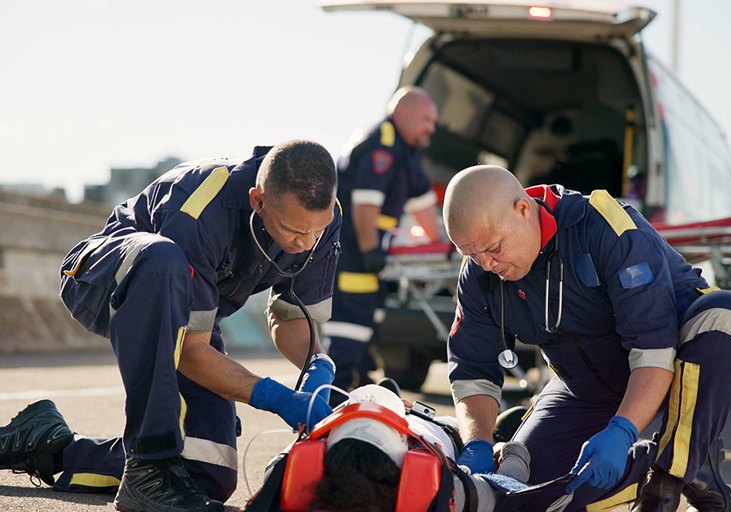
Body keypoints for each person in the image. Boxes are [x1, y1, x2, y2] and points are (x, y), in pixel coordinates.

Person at [0, 140, 343, 512]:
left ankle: (48, 445)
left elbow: (292, 318)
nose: (305, 242)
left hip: (187, 314)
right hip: (112, 278)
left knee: (207, 471)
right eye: (293, 230)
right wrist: (276, 397)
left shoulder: (320, 218)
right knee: (164, 259)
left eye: (316, 232)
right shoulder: (203, 208)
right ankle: (148, 469)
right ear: (257, 200)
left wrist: (317, 365)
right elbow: (191, 351)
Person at [441, 165, 731, 512]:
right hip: (584, 387)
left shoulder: (607, 229)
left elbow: (653, 348)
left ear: (523, 209)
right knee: (525, 497)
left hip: (669, 364)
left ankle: (666, 481)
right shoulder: (479, 273)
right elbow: (473, 369)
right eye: (472, 254)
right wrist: (476, 445)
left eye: (493, 248)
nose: (486, 264)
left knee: (727, 316)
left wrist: (622, 431)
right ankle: (690, 460)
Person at [245, 384, 534, 512]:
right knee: (506, 427)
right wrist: (505, 451)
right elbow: (508, 486)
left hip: (419, 422)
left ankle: (389, 391)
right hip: (442, 429)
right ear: (402, 447)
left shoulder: (291, 477)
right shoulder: (440, 490)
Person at [324, 86, 443, 393]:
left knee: (370, 314)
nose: (432, 127)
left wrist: (445, 244)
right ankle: (336, 388)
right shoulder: (381, 146)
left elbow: (425, 208)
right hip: (351, 251)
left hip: (369, 253)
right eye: (426, 119)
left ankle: (360, 382)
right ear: (401, 114)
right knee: (351, 321)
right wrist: (371, 252)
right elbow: (365, 206)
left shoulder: (408, 151)